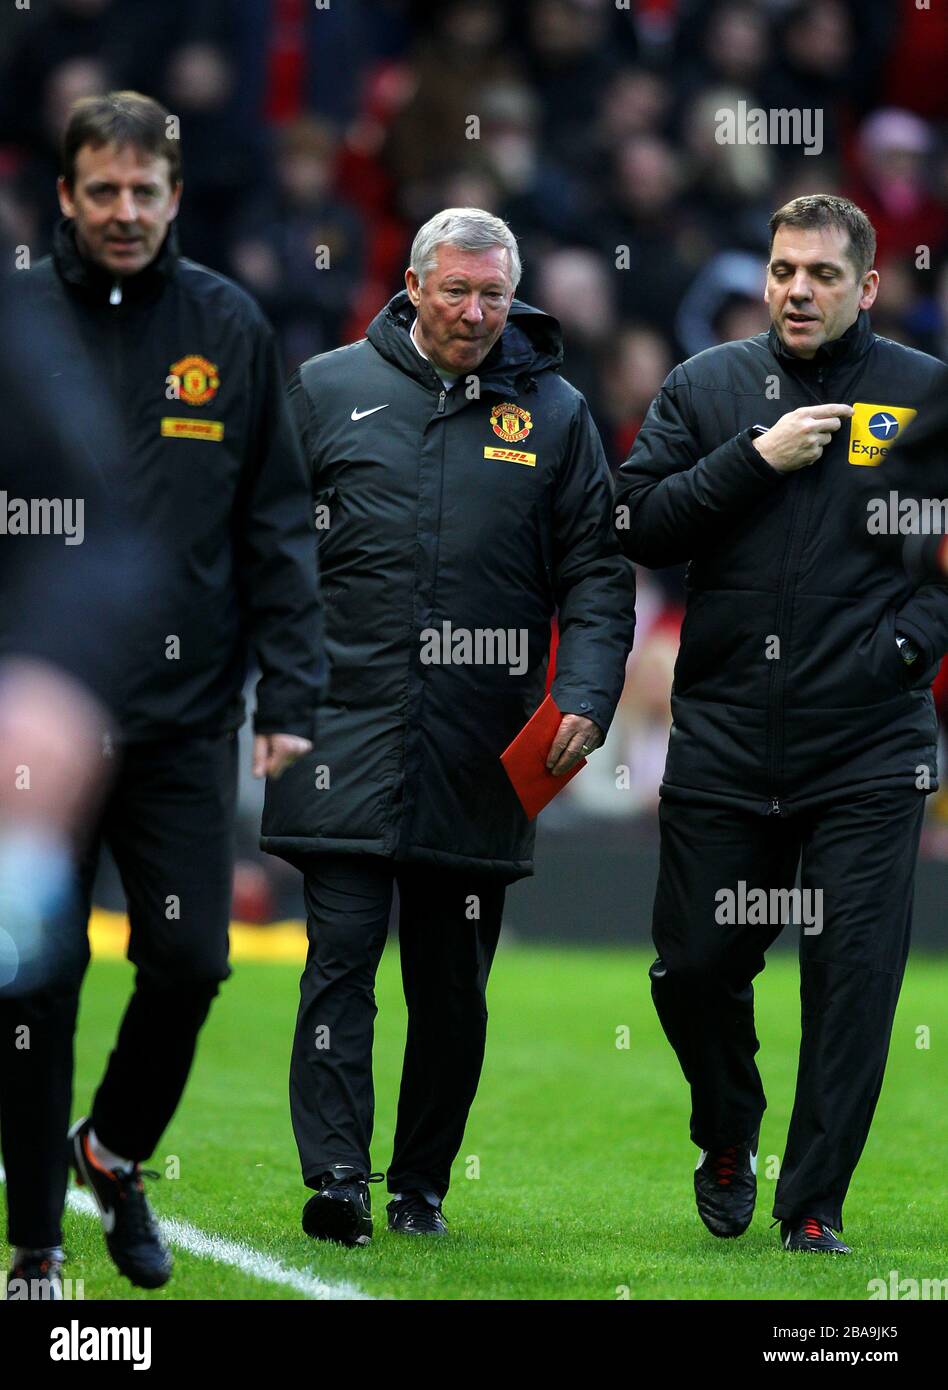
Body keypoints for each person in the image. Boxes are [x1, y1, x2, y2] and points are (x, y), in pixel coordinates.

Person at [0, 91, 325, 1298]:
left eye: (147, 192)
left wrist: (293, 692)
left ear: (176, 198)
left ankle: (113, 1152)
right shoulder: (19, 325)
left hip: (185, 722)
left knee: (190, 959)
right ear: (69, 198)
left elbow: (278, 523)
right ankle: (38, 1240)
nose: (126, 212)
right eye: (104, 192)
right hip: (37, 725)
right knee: (31, 984)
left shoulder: (229, 326)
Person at [262, 207, 636, 1244]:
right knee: (338, 957)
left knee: (452, 989)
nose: (476, 312)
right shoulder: (328, 390)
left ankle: (420, 1184)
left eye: (494, 295)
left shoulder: (557, 415)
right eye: (458, 290)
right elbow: (270, 552)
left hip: (482, 747)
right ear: (414, 286)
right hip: (341, 733)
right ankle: (337, 1177)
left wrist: (590, 696)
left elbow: (598, 575)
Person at [614, 194, 947, 1255]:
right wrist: (753, 458)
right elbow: (635, 520)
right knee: (694, 965)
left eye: (822, 274)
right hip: (724, 729)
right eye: (783, 270)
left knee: (852, 980)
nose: (798, 289)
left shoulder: (923, 397)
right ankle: (727, 1125)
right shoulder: (707, 387)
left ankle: (813, 1207)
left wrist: (902, 652)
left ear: (868, 286)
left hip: (869, 743)